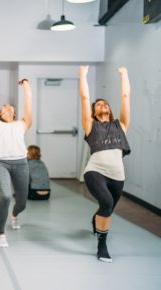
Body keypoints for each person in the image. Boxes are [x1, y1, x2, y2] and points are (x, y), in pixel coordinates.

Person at [79, 65, 131, 263]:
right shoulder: (90, 125)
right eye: (98, 104)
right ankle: (102, 245)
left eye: (105, 104)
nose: (103, 105)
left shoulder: (121, 125)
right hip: (95, 171)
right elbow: (84, 98)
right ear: (93, 111)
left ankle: (96, 220)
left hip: (117, 175)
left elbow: (126, 97)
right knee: (107, 203)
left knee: (107, 208)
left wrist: (124, 75)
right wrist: (83, 75)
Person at [0, 72, 33, 248]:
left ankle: (14, 214)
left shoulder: (22, 124)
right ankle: (1, 233)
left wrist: (26, 83)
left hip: (21, 163)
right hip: (1, 163)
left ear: (14, 113)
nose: (7, 108)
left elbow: (28, 101)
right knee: (6, 196)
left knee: (21, 202)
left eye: (10, 107)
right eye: (3, 107)